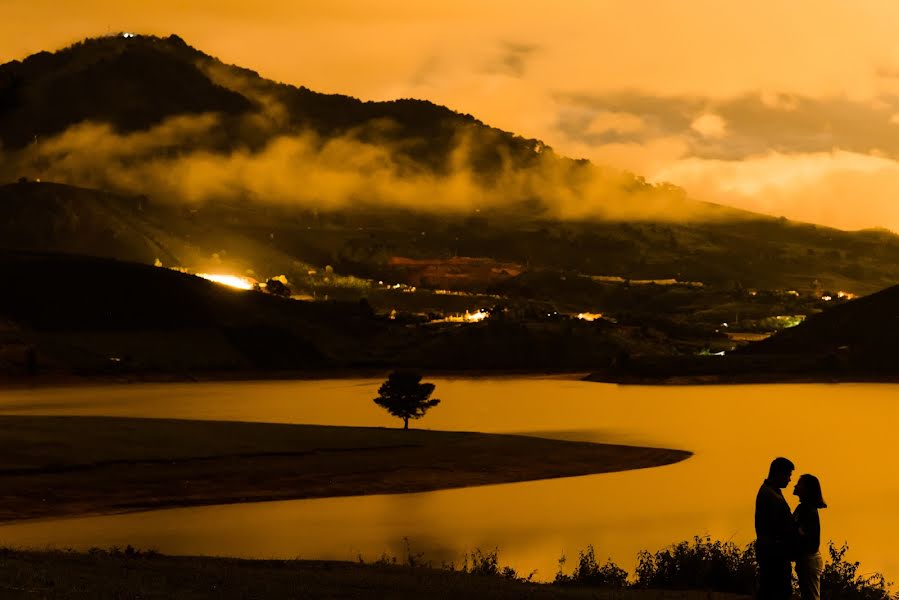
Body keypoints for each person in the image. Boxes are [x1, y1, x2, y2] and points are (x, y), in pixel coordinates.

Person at [755, 457, 796, 600]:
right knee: (777, 592)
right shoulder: (769, 495)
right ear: (778, 473)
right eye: (788, 475)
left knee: (770, 590)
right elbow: (777, 526)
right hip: (774, 554)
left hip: (772, 551)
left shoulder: (771, 491)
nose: (790, 479)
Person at [793, 474, 827, 600]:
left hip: (809, 558)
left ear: (807, 489)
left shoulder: (808, 510)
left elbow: (812, 541)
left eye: (799, 483)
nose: (795, 485)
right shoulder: (803, 508)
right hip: (806, 559)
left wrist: (799, 534)